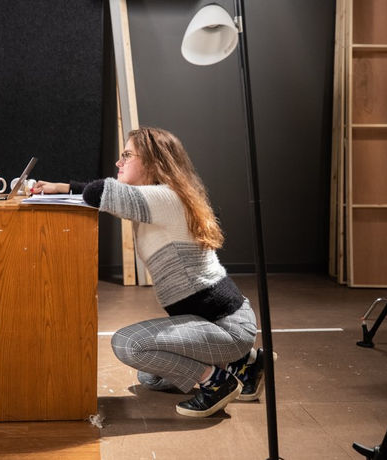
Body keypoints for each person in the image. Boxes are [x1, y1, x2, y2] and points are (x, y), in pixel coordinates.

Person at [33, 126, 269, 417]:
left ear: (153, 162)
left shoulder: (164, 198)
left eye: (127, 156)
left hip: (225, 326)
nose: (118, 162)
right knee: (151, 377)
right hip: (207, 322)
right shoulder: (159, 197)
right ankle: (245, 364)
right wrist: (64, 187)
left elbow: (98, 192)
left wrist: (66, 187)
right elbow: (100, 193)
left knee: (128, 345)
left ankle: (217, 383)